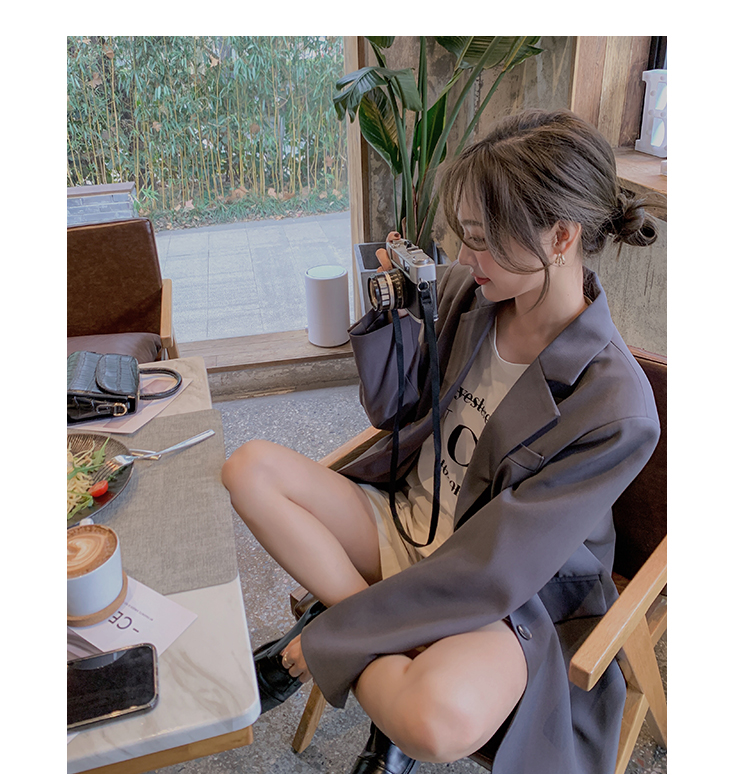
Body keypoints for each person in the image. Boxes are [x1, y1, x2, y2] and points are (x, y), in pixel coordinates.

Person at [221, 108, 661, 774]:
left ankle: (346, 637)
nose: (462, 256)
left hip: (503, 584)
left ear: (561, 236)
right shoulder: (470, 295)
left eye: (481, 239)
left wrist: (343, 634)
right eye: (463, 235)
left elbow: (496, 567)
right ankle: (370, 635)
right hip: (407, 515)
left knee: (434, 719)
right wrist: (394, 302)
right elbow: (392, 409)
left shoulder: (615, 406)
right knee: (248, 467)